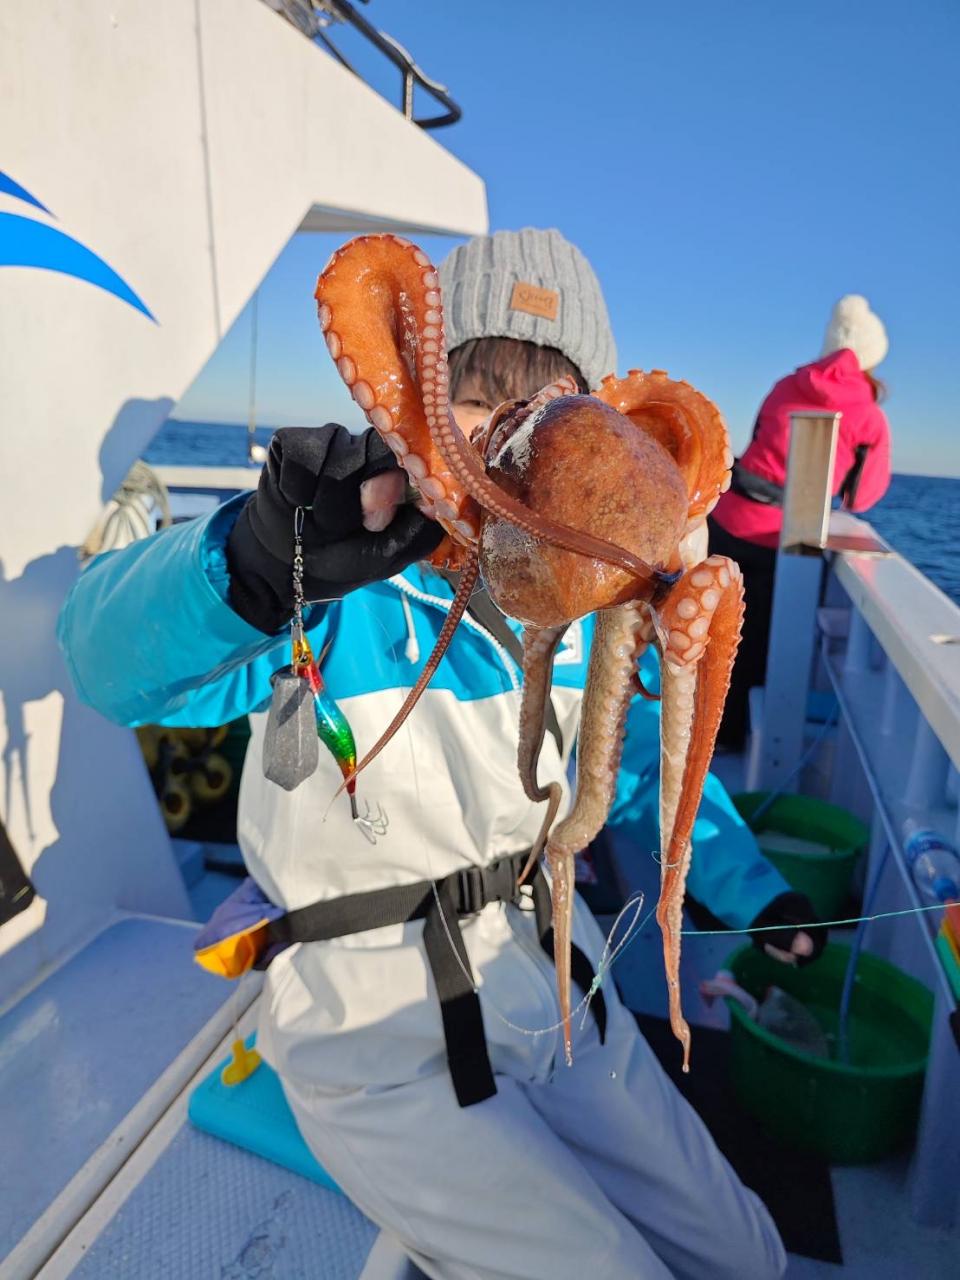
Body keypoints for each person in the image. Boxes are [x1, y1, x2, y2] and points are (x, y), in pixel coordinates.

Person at [58, 228, 800, 1280]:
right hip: (371, 1033)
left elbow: (640, 760)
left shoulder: (590, 614)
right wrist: (258, 561)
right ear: (417, 403)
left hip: (558, 980)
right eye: (479, 393)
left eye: (554, 402)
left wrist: (756, 894)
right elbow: (104, 660)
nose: (516, 430)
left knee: (750, 1255)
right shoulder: (328, 578)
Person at [709, 294, 893, 749]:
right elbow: (862, 496)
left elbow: (756, 441)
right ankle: (731, 740)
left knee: (708, 630)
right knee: (755, 646)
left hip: (726, 521)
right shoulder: (870, 417)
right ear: (872, 359)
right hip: (784, 541)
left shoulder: (785, 385)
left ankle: (686, 725)